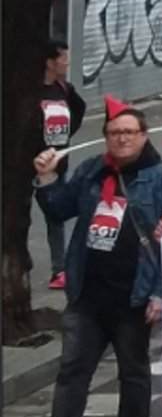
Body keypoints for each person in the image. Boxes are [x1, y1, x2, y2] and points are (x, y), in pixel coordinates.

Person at [13, 97, 162, 417]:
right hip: (88, 294)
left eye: (128, 132)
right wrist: (47, 179)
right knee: (72, 372)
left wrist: (161, 293)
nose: (121, 139)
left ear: (143, 136)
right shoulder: (92, 171)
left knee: (133, 371)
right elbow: (59, 209)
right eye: (113, 133)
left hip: (133, 295)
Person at [33, 40, 86, 290]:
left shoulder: (64, 88)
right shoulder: (31, 91)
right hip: (28, 163)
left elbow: (80, 109)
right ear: (50, 62)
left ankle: (59, 270)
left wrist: (64, 140)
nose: (67, 62)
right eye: (63, 58)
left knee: (55, 217)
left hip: (56, 165)